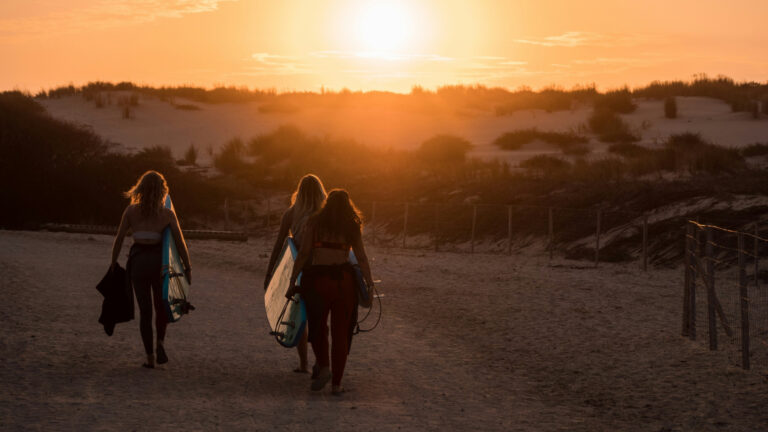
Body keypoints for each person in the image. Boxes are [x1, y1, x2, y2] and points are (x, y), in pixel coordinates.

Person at [289, 189, 374, 395]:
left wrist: (292, 279)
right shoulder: (351, 226)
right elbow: (361, 257)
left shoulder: (315, 223)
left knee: (318, 327)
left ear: (327, 204)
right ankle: (336, 384)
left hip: (318, 280)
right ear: (348, 205)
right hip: (343, 283)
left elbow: (304, 254)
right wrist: (369, 282)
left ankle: (324, 366)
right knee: (341, 333)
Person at [110, 170, 192, 369]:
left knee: (145, 311)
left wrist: (113, 262)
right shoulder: (167, 214)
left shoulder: (131, 211)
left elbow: (119, 238)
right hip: (158, 262)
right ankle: (160, 342)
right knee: (161, 305)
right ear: (162, 190)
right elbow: (180, 243)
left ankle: (150, 358)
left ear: (140, 188)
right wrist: (187, 267)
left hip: (138, 262)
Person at [264, 174, 327, 373]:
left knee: (300, 318)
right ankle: (321, 361)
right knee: (320, 318)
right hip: (322, 270)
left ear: (299, 192)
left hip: (299, 272)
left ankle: (304, 364)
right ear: (320, 192)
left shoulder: (291, 214)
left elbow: (279, 245)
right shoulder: (324, 214)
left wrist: (269, 273)